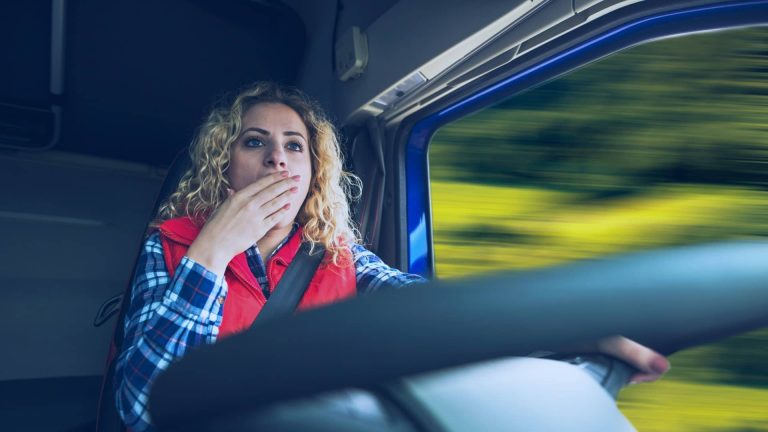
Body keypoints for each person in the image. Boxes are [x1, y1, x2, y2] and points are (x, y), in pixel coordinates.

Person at [112, 81, 669, 431]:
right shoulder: (174, 247)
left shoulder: (340, 257)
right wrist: (213, 250)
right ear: (225, 165)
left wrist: (570, 330)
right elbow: (140, 410)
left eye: (294, 146)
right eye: (255, 141)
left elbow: (430, 312)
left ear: (311, 174)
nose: (278, 159)